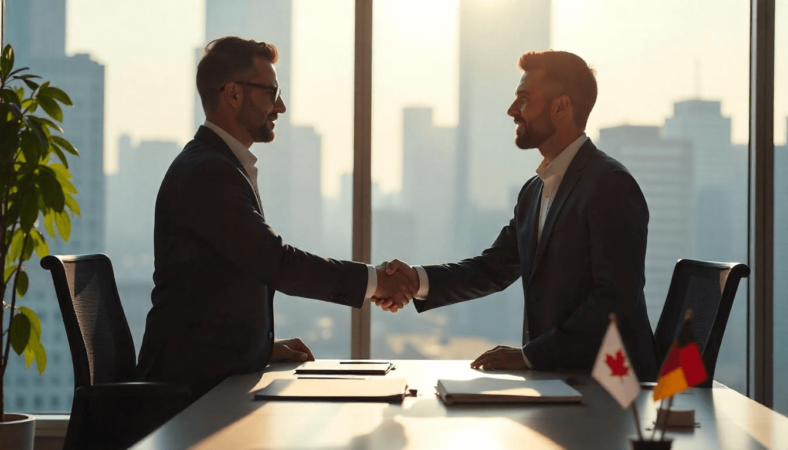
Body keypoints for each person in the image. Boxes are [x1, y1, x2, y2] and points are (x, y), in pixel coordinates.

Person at [135, 36, 414, 399]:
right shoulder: (209, 172)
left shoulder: (219, 165)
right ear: (233, 94)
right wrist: (375, 280)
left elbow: (216, 290)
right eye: (271, 92)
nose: (280, 106)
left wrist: (261, 349)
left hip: (210, 378)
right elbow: (275, 263)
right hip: (187, 395)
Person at [379, 50, 659, 381]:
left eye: (524, 100)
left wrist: (530, 357)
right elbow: (493, 269)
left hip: (612, 391)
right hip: (558, 384)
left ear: (560, 107)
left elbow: (614, 300)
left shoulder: (610, 185)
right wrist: (417, 280)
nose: (512, 111)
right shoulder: (534, 192)